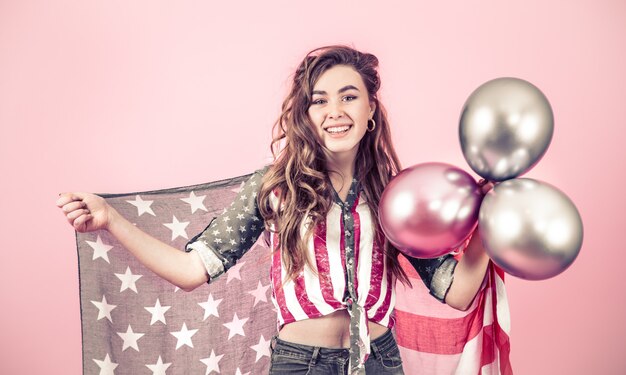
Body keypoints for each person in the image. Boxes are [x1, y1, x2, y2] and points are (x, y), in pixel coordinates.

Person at [56, 45, 492, 375]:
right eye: (319, 100)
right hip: (301, 363)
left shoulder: (395, 196)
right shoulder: (274, 188)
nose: (335, 112)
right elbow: (191, 271)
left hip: (379, 360)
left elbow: (456, 291)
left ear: (370, 109)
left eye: (349, 97)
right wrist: (111, 219)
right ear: (305, 113)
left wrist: (495, 219)